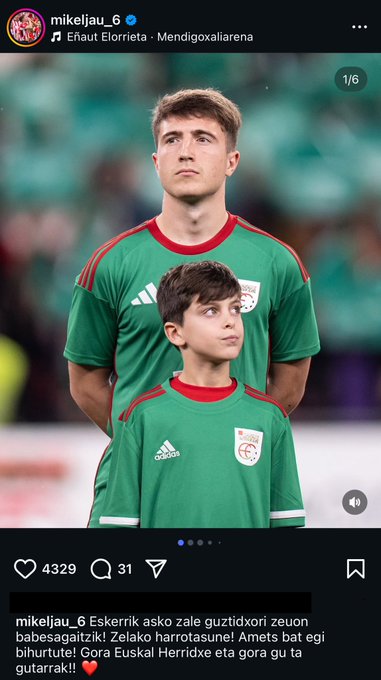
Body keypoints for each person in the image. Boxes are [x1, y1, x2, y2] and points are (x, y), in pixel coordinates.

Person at [64, 88, 319, 527]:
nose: (185, 152)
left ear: (232, 161)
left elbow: (291, 380)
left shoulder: (278, 263)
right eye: (171, 140)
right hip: (136, 483)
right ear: (155, 161)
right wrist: (153, 439)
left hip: (238, 480)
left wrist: (227, 437)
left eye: (203, 139)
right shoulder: (109, 264)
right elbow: (85, 380)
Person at [99, 261, 305, 528]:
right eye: (211, 311)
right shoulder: (143, 417)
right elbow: (119, 524)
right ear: (175, 333)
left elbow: (286, 522)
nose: (230, 321)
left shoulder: (269, 417)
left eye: (235, 309)